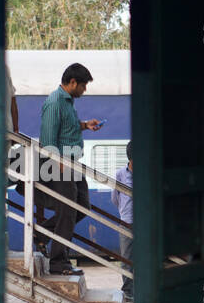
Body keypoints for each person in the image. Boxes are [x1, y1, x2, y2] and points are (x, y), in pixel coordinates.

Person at [37, 62, 101, 274]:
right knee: (67, 210)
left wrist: (85, 125)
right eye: (83, 85)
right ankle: (58, 262)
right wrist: (59, 164)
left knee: (82, 206)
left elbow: (67, 127)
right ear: (72, 82)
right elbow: (47, 140)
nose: (84, 90)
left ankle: (41, 234)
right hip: (60, 166)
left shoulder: (67, 103)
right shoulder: (55, 103)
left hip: (72, 164)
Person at [111, 140, 133, 267]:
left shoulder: (146, 173)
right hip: (126, 222)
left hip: (144, 223)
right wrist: (124, 211)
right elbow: (115, 198)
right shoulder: (120, 174)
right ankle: (128, 288)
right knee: (126, 260)